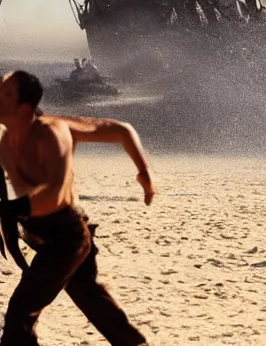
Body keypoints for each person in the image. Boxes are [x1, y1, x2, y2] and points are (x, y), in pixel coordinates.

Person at [0, 70, 155, 345]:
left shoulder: (52, 132)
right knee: (93, 301)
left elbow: (55, 193)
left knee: (19, 313)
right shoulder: (7, 141)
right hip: (47, 234)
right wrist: (10, 230)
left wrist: (144, 171)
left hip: (67, 236)